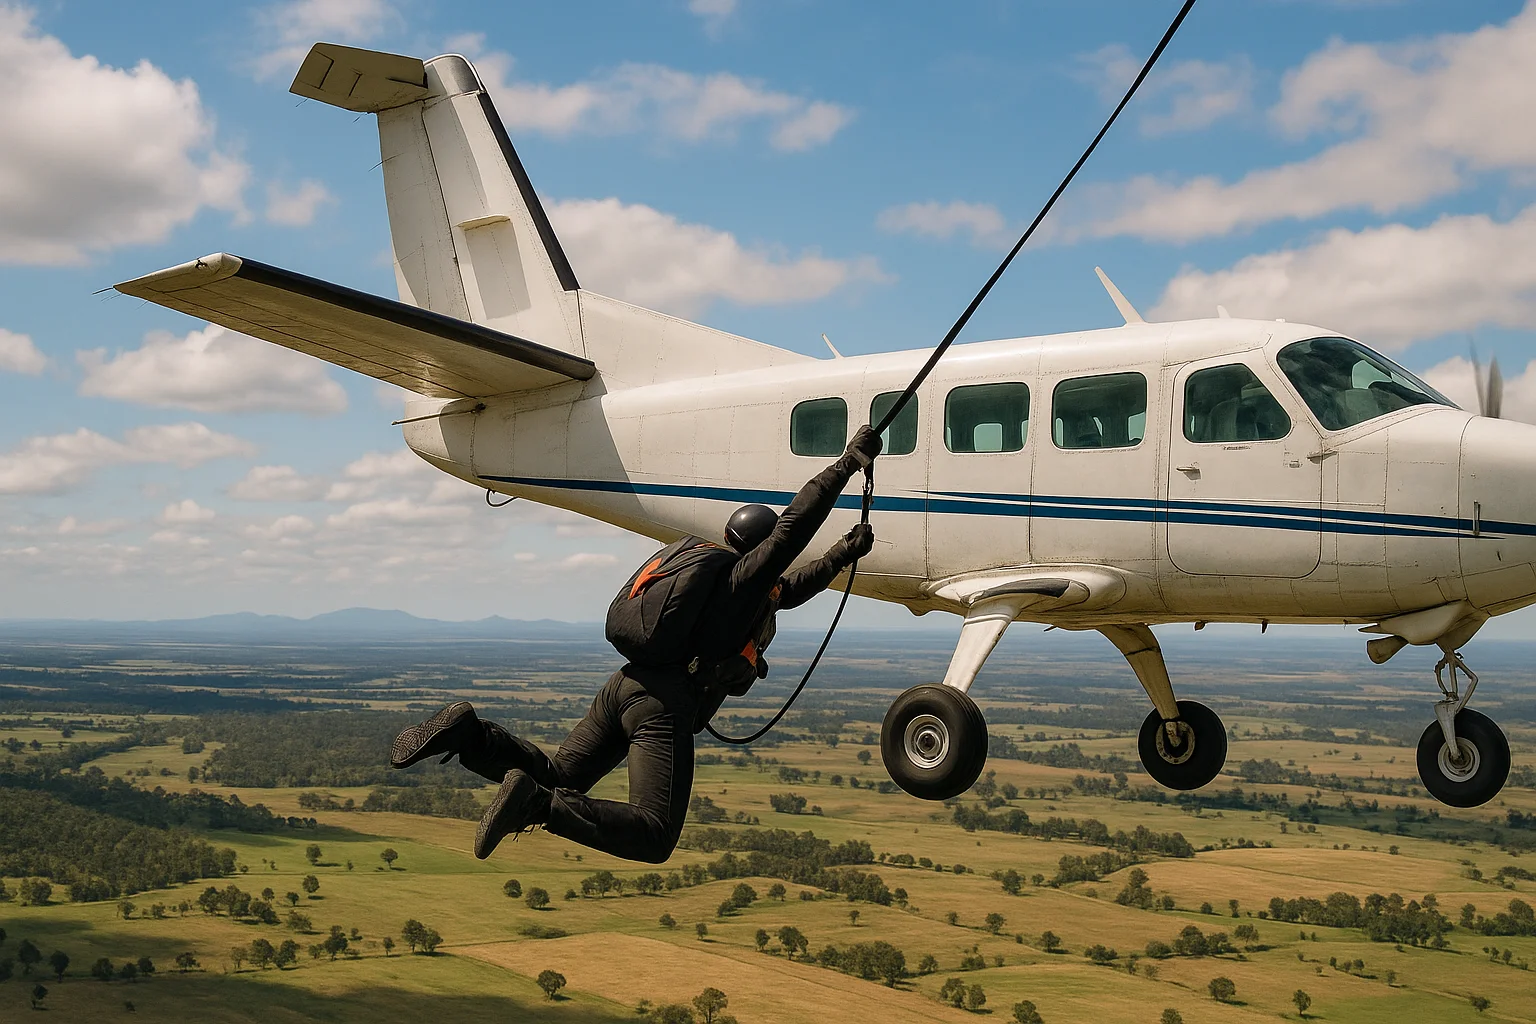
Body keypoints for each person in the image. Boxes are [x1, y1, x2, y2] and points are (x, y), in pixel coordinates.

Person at [389, 425, 882, 863]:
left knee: (559, 776)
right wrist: (847, 464)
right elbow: (794, 529)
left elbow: (791, 589)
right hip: (662, 706)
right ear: (760, 549)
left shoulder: (733, 591)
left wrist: (843, 553)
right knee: (654, 833)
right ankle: (536, 804)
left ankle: (471, 736)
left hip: (623, 688)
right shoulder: (743, 585)